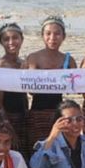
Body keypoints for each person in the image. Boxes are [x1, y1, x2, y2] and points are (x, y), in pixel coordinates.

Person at [25, 15, 76, 152]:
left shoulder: (68, 60)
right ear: (42, 36)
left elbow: (76, 87)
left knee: (58, 150)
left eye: (57, 34)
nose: (52, 38)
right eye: (48, 33)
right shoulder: (33, 58)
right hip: (37, 112)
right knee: (37, 149)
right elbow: (29, 89)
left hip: (59, 112)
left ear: (63, 36)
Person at [0, 22, 29, 157]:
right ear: (1, 42)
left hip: (22, 116)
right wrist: (9, 129)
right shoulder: (1, 66)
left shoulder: (22, 63)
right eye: (6, 39)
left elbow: (24, 94)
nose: (11, 42)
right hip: (7, 119)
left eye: (15, 38)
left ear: (22, 39)